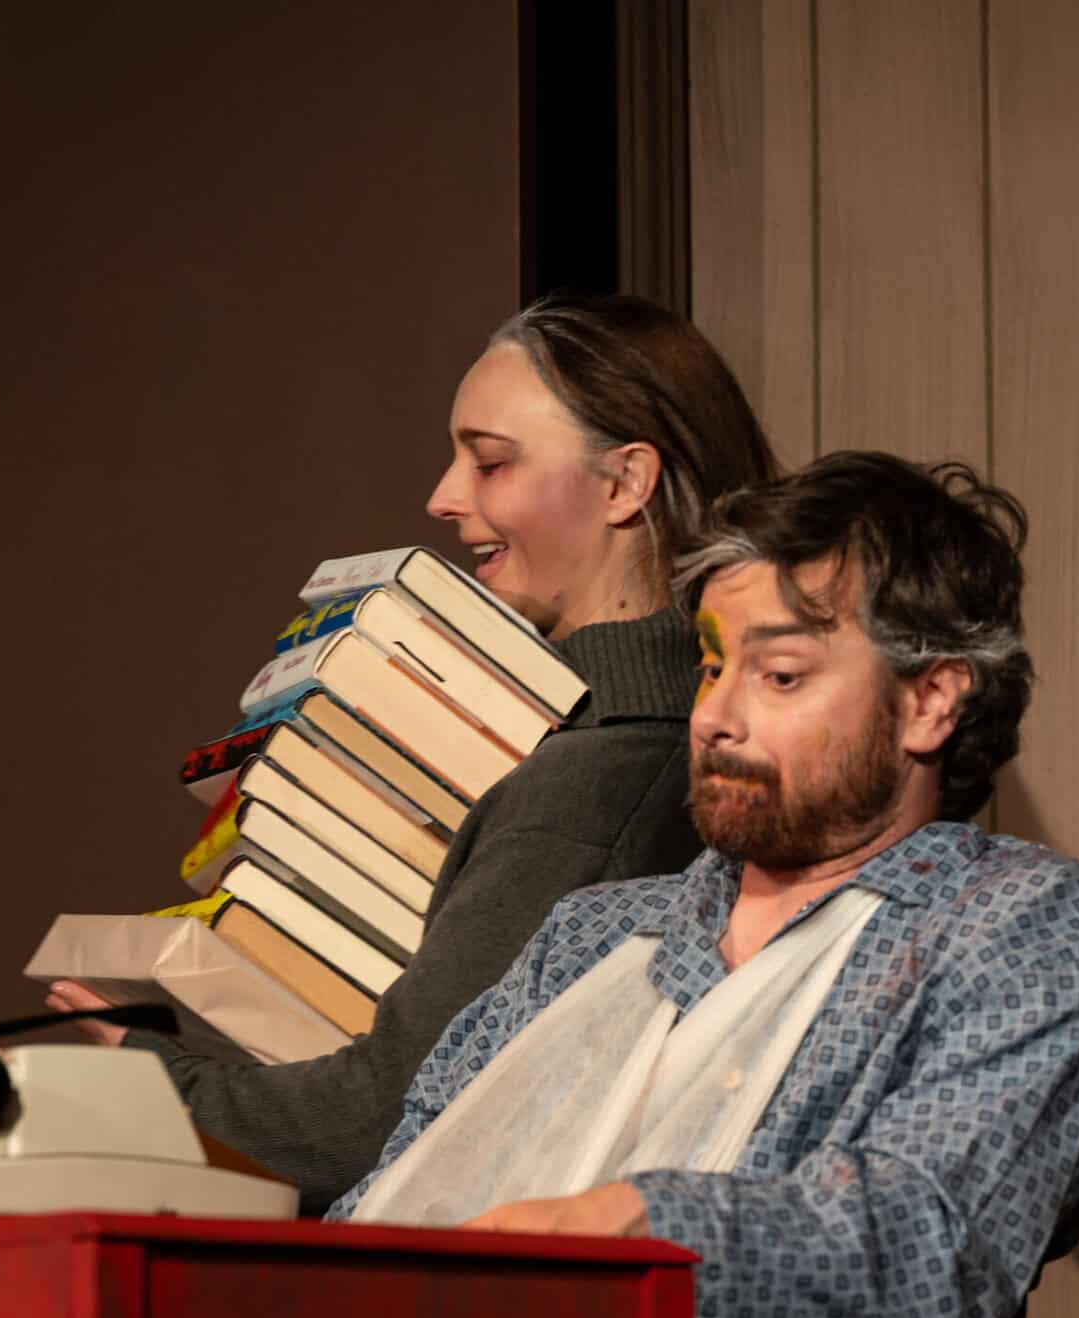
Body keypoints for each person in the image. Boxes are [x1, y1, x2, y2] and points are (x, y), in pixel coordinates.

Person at [329, 451, 1079, 1318]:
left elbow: (932, 1242)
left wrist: (632, 1234)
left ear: (930, 700)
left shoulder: (1014, 924)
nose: (714, 716)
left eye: (778, 675)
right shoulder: (593, 936)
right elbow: (397, 1186)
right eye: (712, 666)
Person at [48, 295, 780, 1208]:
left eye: (490, 461)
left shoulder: (607, 773)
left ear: (625, 483)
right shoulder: (611, 741)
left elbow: (380, 1120)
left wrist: (152, 1075)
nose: (444, 496)